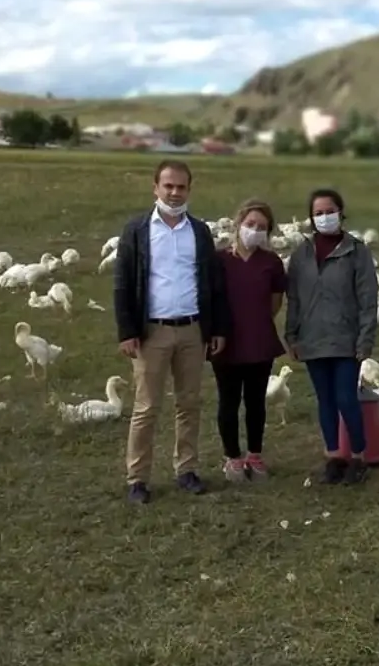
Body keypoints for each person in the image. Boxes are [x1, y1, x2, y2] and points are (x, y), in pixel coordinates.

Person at [113, 159, 229, 504]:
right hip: (152, 333)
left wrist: (217, 328)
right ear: (156, 188)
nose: (175, 193)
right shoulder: (136, 231)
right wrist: (126, 330)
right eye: (168, 186)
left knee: (189, 404)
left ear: (189, 190)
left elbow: (213, 283)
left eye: (181, 187)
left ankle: (187, 469)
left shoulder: (199, 232)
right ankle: (138, 478)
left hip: (193, 330)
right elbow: (122, 284)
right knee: (146, 408)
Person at [285, 188, 379, 486]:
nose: (325, 217)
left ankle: (359, 457)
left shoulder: (356, 251)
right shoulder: (302, 254)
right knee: (324, 400)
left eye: (330, 211)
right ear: (312, 218)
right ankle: (334, 457)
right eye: (318, 213)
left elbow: (367, 299)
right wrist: (292, 335)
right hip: (312, 338)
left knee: (346, 398)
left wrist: (365, 339)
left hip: (345, 339)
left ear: (341, 212)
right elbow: (294, 298)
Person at [213, 198, 287, 483]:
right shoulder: (219, 260)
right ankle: (232, 457)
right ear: (238, 224)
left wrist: (255, 319)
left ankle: (254, 455)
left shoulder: (271, 262)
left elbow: (275, 302)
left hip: (259, 341)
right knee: (228, 401)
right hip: (225, 342)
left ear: (268, 233)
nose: (255, 230)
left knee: (256, 402)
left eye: (262, 227)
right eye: (250, 224)